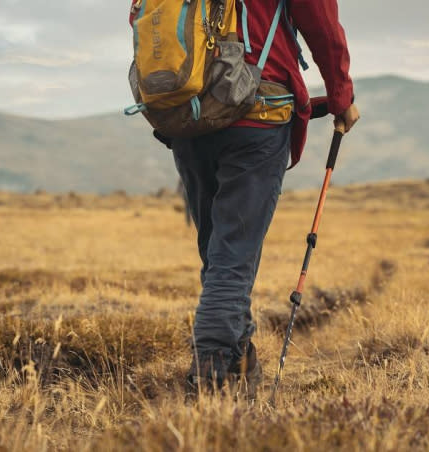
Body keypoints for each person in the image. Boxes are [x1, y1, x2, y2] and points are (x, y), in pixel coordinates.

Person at [131, 0, 359, 397]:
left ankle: (238, 360)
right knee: (231, 258)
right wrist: (340, 94)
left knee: (219, 256)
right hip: (258, 111)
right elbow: (319, 20)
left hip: (190, 115)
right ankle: (213, 379)